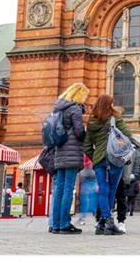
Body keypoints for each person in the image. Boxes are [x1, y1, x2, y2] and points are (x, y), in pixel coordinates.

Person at [83, 94, 132, 235]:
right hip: (115, 159)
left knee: (103, 190)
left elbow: (87, 146)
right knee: (111, 190)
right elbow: (128, 135)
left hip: (99, 160)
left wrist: (96, 158)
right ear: (110, 104)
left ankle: (102, 223)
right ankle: (108, 221)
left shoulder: (91, 121)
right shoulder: (115, 117)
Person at [48, 82, 88, 235]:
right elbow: (78, 132)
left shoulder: (58, 109)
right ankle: (64, 223)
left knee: (59, 190)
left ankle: (56, 224)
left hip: (59, 152)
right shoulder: (74, 109)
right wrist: (85, 135)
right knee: (68, 190)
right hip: (71, 153)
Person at [75, 160, 98, 226]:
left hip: (84, 169)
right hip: (93, 169)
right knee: (94, 196)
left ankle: (82, 219)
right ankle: (97, 218)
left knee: (84, 198)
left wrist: (77, 195)